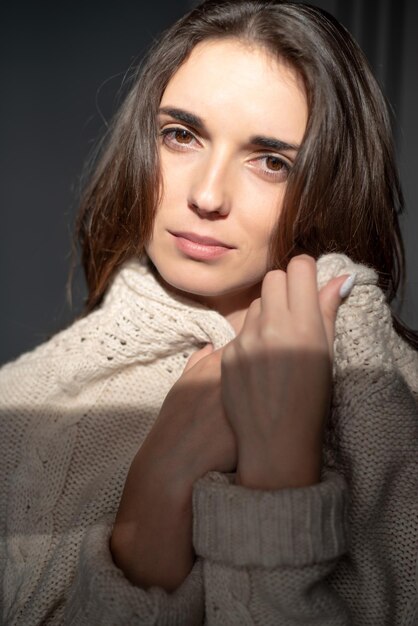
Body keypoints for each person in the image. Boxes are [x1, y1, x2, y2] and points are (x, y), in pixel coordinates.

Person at [1, 0, 418, 624]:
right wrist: (150, 514)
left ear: (333, 185)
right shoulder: (20, 402)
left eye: (271, 162)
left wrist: (280, 478)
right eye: (181, 135)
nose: (206, 194)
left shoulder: (396, 409)